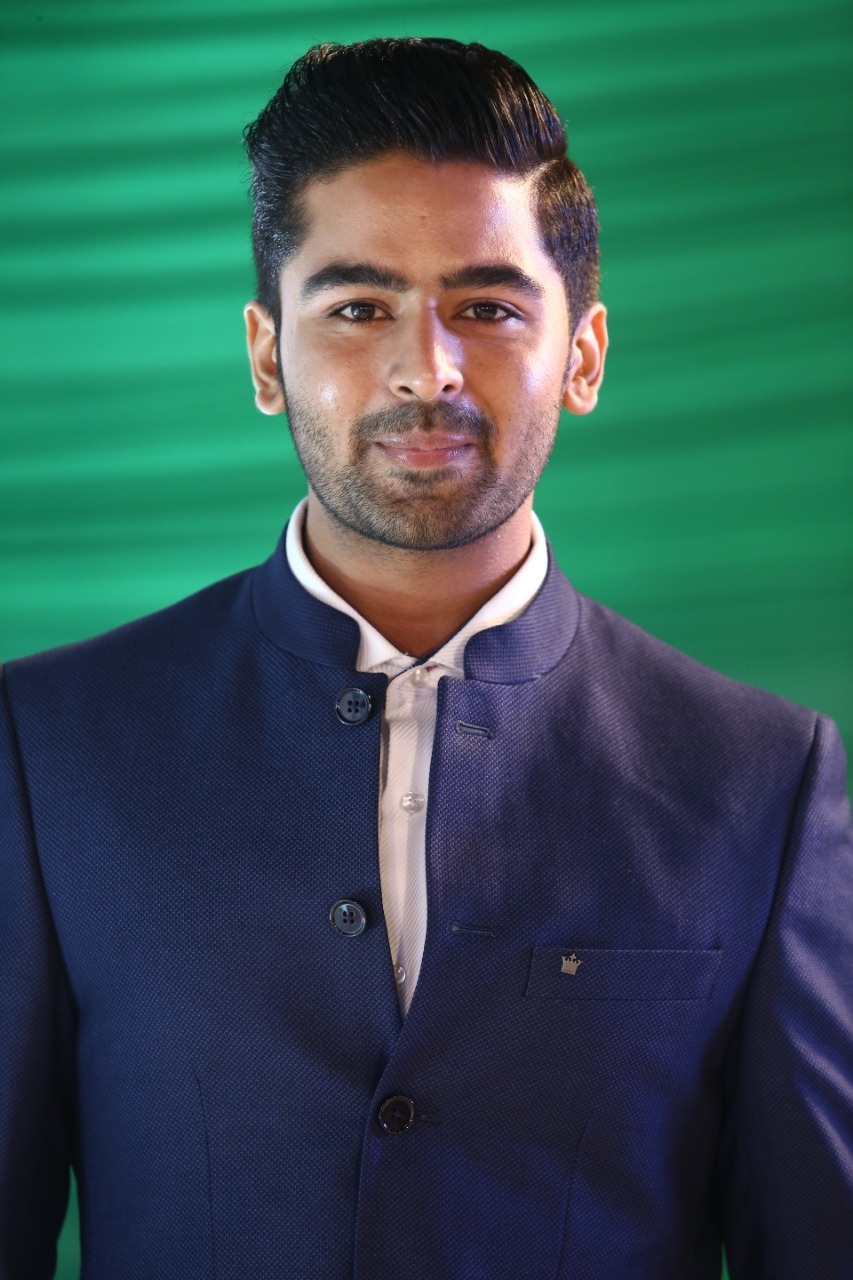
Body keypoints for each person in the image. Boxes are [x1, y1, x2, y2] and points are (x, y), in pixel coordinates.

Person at [0, 36, 850, 1280]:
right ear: (265, 355)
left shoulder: (762, 778)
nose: (425, 369)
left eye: (487, 308)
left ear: (583, 354)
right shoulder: (47, 746)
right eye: (357, 307)